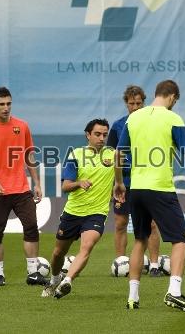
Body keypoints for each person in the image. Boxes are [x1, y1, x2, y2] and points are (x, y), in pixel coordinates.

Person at [114, 80, 185, 311]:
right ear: (172, 97)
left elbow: (119, 154)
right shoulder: (172, 118)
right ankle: (174, 292)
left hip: (136, 189)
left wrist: (119, 183)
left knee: (139, 240)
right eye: (174, 101)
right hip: (160, 189)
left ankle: (132, 297)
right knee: (181, 240)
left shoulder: (134, 118)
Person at [0, 87, 45, 287]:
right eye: (1, 104)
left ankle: (33, 273)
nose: (6, 108)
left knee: (31, 227)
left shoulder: (22, 126)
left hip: (21, 189)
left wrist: (36, 183)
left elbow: (29, 156)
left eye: (9, 104)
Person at [41, 119, 115, 299]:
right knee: (59, 253)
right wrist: (79, 183)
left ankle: (67, 281)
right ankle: (54, 280)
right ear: (88, 135)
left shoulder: (113, 155)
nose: (101, 138)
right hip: (73, 212)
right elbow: (65, 186)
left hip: (97, 213)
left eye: (105, 135)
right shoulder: (76, 154)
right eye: (97, 134)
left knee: (86, 247)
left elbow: (126, 176)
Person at [107, 85, 162, 276]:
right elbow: (111, 155)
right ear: (126, 104)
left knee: (152, 224)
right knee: (120, 223)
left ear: (144, 102)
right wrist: (115, 181)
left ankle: (154, 265)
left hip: (147, 181)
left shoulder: (152, 123)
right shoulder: (117, 126)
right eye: (132, 103)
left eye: (139, 103)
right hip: (125, 183)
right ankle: (121, 263)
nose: (136, 107)